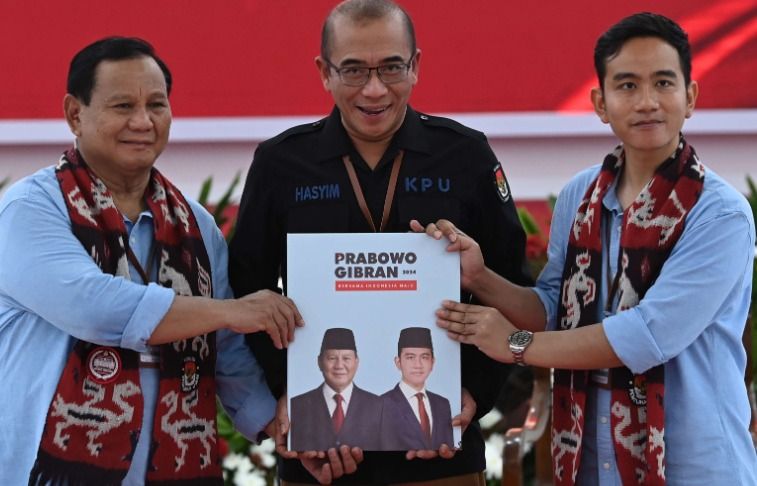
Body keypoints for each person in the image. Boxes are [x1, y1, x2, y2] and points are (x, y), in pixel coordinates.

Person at [422, 12, 757, 486]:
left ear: (690, 98)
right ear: (601, 103)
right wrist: (478, 277)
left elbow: (646, 336)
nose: (647, 101)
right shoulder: (580, 197)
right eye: (627, 85)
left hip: (694, 466)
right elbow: (552, 309)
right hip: (590, 462)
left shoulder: (719, 213)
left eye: (664, 83)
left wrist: (517, 346)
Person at [228, 0, 531, 483]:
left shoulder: (465, 155)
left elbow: (511, 284)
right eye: (353, 70)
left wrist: (474, 390)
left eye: (391, 67)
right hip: (321, 452)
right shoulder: (281, 164)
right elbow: (245, 293)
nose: (374, 89)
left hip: (441, 450)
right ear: (324, 72)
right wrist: (286, 395)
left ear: (415, 66)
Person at [0, 37, 303, 485]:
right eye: (123, 106)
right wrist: (233, 311)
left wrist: (285, 426)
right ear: (74, 113)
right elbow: (95, 308)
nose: (143, 121)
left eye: (156, 105)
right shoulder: (31, 208)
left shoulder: (196, 225)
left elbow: (228, 352)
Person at [290, 328, 382, 451]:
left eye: (346, 358)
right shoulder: (296, 406)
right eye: (332, 358)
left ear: (356, 362)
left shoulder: (379, 406)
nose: (339, 366)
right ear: (319, 362)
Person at [380, 327, 454, 451]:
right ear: (398, 362)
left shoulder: (442, 404)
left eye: (424, 357)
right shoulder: (382, 405)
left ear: (432, 362)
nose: (418, 365)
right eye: (410, 357)